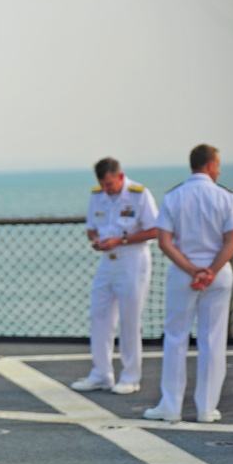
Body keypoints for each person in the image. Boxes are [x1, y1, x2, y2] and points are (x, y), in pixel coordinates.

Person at [145, 144, 233, 423]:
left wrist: (192, 270)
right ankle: (207, 408)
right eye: (218, 164)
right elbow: (231, 241)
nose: (219, 170)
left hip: (183, 275)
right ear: (210, 165)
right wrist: (210, 271)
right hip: (218, 276)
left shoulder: (174, 196)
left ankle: (170, 405)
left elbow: (164, 241)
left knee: (175, 338)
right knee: (213, 340)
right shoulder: (226, 198)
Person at [71, 158, 158, 395]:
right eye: (103, 184)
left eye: (110, 184)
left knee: (130, 320)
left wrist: (121, 240)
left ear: (120, 176)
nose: (106, 189)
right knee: (99, 316)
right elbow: (91, 228)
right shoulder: (97, 195)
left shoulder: (139, 194)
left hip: (133, 260)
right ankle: (101, 373)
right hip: (107, 262)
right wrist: (97, 240)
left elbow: (155, 230)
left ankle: (131, 376)